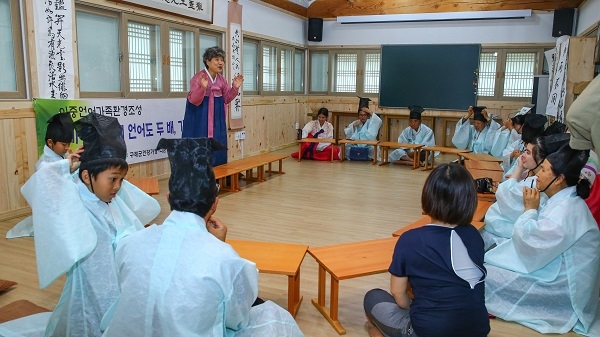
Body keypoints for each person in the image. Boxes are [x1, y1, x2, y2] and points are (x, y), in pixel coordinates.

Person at [102, 138, 304, 337]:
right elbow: (237, 318)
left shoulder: (130, 243)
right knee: (274, 316)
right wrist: (217, 245)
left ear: (169, 198)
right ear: (215, 203)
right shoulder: (226, 259)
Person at [20, 113, 161, 337]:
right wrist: (66, 166)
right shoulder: (74, 200)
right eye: (112, 179)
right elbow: (43, 182)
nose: (118, 187)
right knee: (89, 321)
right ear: (87, 176)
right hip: (92, 285)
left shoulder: (109, 199)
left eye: (121, 180)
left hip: (116, 282)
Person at [485, 144, 600, 335]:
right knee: (489, 264)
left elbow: (532, 247)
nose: (538, 173)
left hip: (564, 285)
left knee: (486, 276)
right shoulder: (564, 198)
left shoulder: (566, 210)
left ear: (559, 179)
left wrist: (530, 209)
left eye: (545, 170)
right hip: (554, 264)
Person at [364, 163, 490, 337]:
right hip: (478, 329)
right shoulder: (474, 236)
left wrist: (412, 310)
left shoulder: (410, 239)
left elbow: (398, 293)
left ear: (428, 197)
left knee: (373, 298)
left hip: (428, 330)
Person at [481, 133, 570, 249]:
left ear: (542, 160)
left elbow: (505, 194)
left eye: (528, 153)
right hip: (505, 231)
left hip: (506, 236)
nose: (522, 156)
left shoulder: (537, 184)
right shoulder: (533, 176)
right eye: (525, 151)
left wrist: (518, 169)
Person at [6, 112, 82, 239]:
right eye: (64, 144)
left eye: (68, 144)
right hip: (54, 211)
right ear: (50, 142)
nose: (67, 148)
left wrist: (75, 164)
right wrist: (68, 166)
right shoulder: (43, 164)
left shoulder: (61, 156)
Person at [182, 46, 244, 166]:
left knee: (218, 144)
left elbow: (226, 99)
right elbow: (194, 100)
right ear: (207, 61)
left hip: (217, 119)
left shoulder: (221, 80)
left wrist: (235, 87)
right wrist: (202, 88)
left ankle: (218, 178)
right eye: (216, 59)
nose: (220, 63)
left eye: (222, 60)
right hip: (200, 118)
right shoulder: (198, 78)